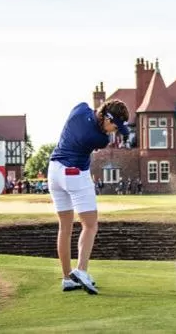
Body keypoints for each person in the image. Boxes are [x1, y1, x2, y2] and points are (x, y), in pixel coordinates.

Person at [48, 99, 130, 294]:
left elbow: (88, 111)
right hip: (74, 174)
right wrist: (116, 133)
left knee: (65, 227)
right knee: (90, 225)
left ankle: (68, 278)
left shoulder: (80, 108)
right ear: (107, 118)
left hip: (54, 171)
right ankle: (82, 271)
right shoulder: (99, 139)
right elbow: (102, 135)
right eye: (114, 127)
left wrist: (117, 125)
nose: (113, 132)